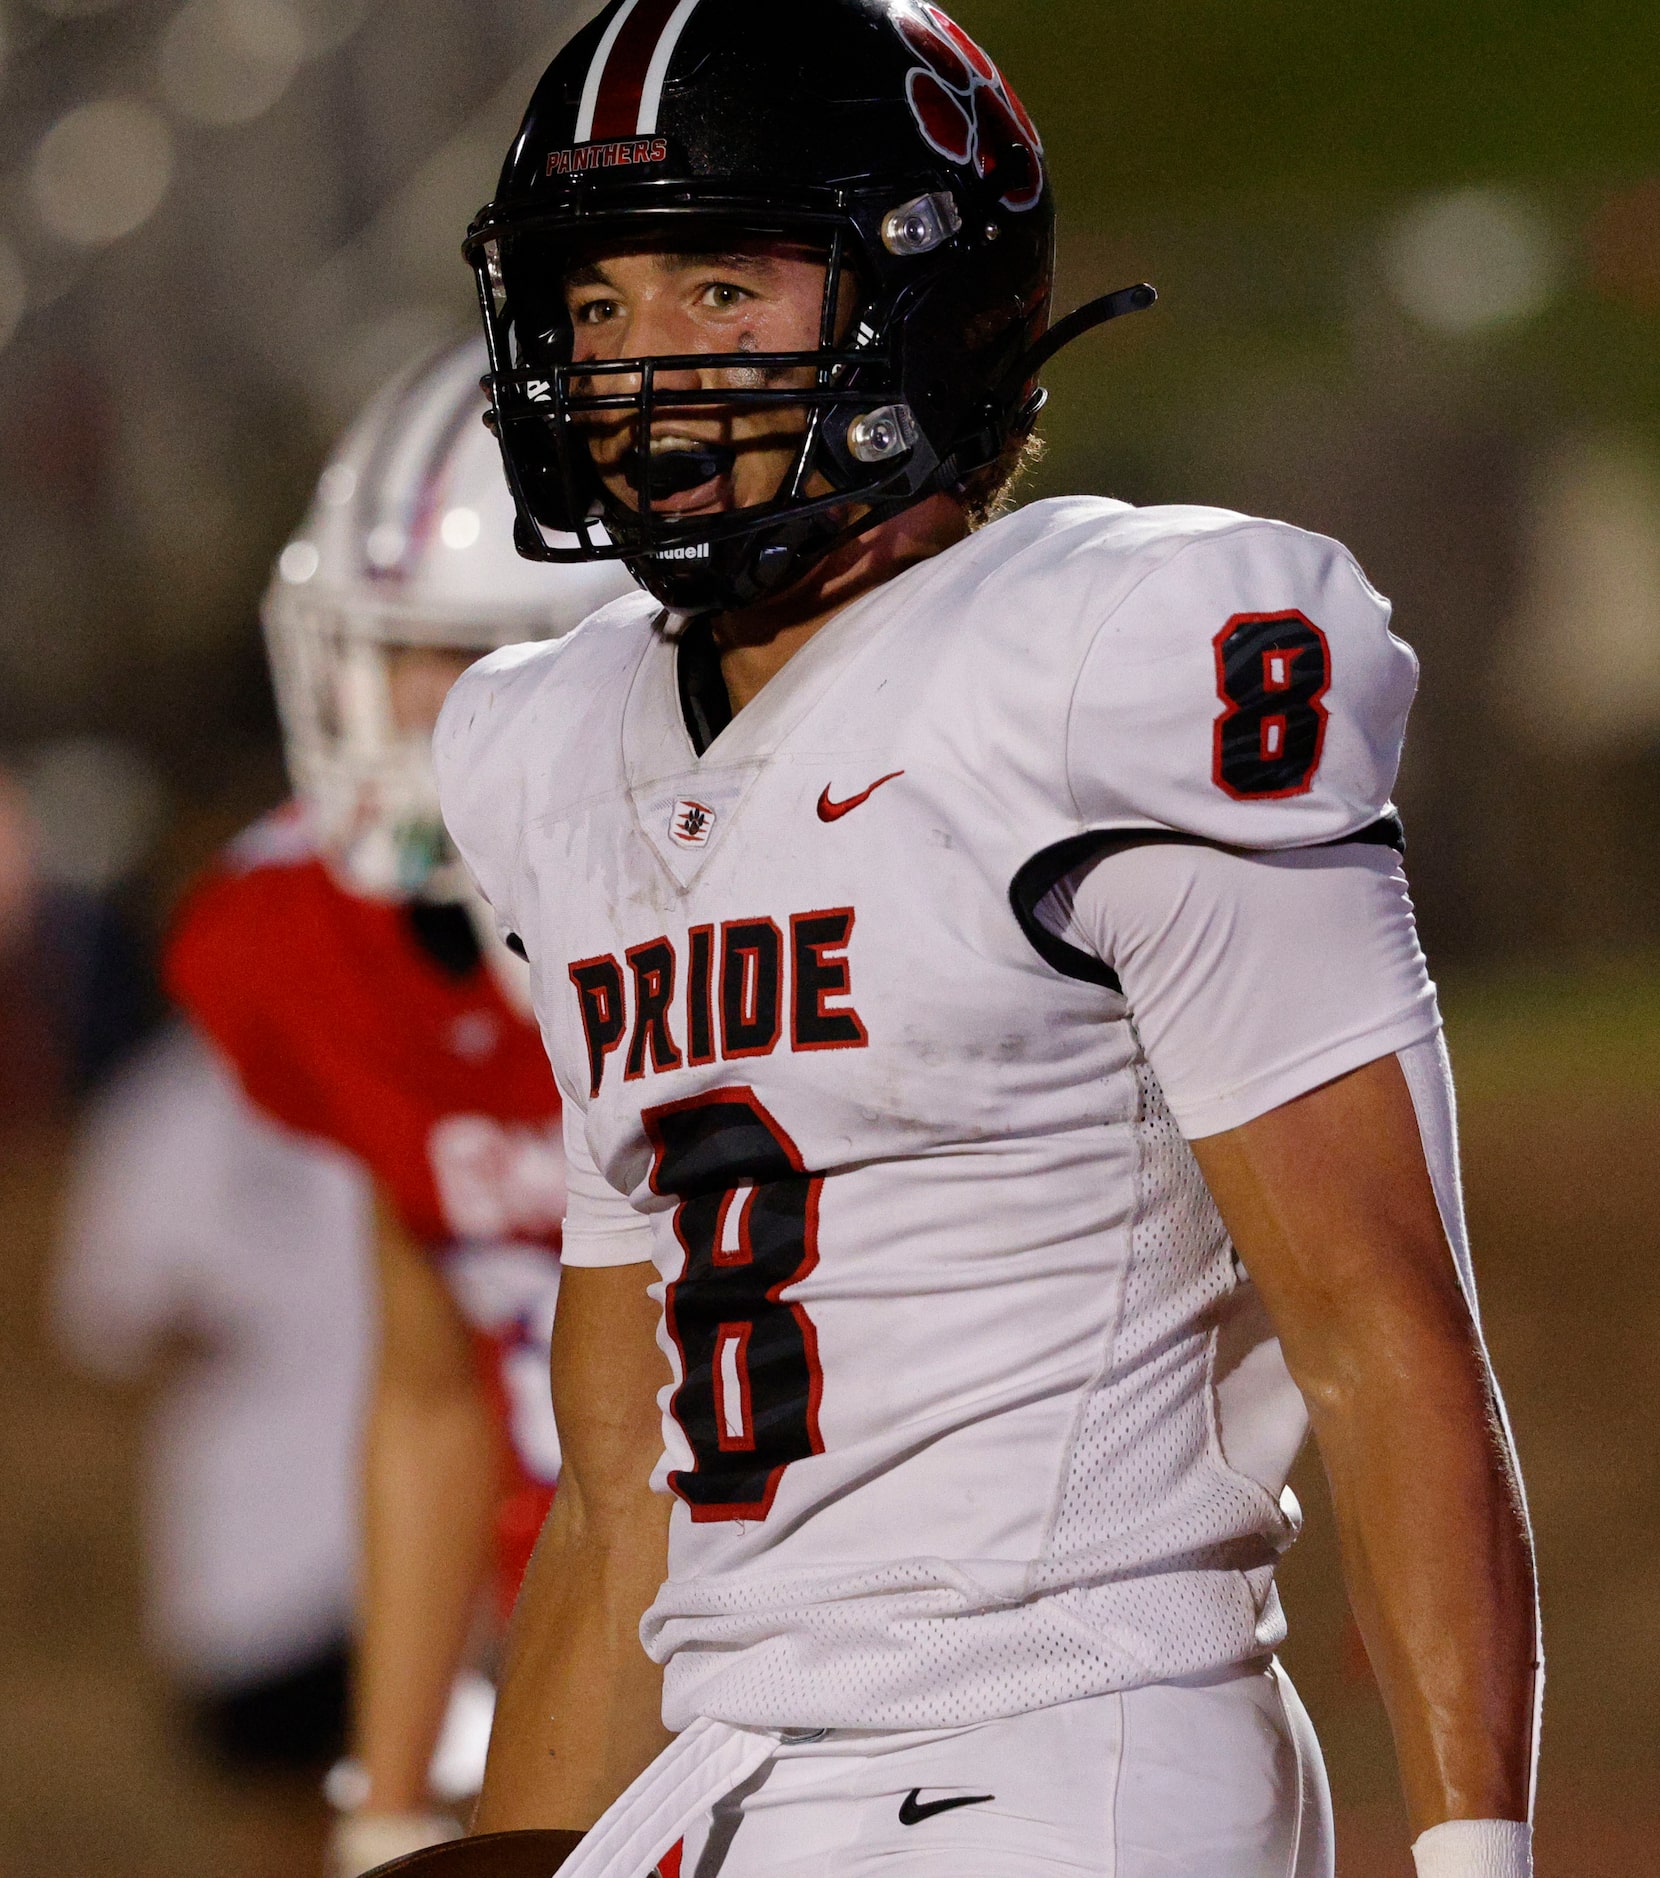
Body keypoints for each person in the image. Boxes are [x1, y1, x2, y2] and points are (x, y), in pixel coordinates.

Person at [429, 5, 1542, 1876]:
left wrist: (1474, 1851)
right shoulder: (543, 748)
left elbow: (1379, 1327)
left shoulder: (1111, 656)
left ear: (920, 291)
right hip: (725, 1766)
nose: (635, 367)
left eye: (718, 288)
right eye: (598, 306)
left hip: (1057, 1747)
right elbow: (626, 1494)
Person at [165, 338, 637, 1877]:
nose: (395, 713)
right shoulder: (323, 943)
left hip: (848, 1639)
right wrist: (389, 1791)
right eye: (383, 653)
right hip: (569, 1637)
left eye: (458, 657)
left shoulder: (760, 933)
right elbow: (432, 1385)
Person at [54, 1019, 370, 1778]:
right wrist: (185, 1329)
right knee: (285, 1800)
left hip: (416, 1534)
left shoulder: (388, 1060)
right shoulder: (156, 1110)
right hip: (251, 1552)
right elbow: (99, 1314)